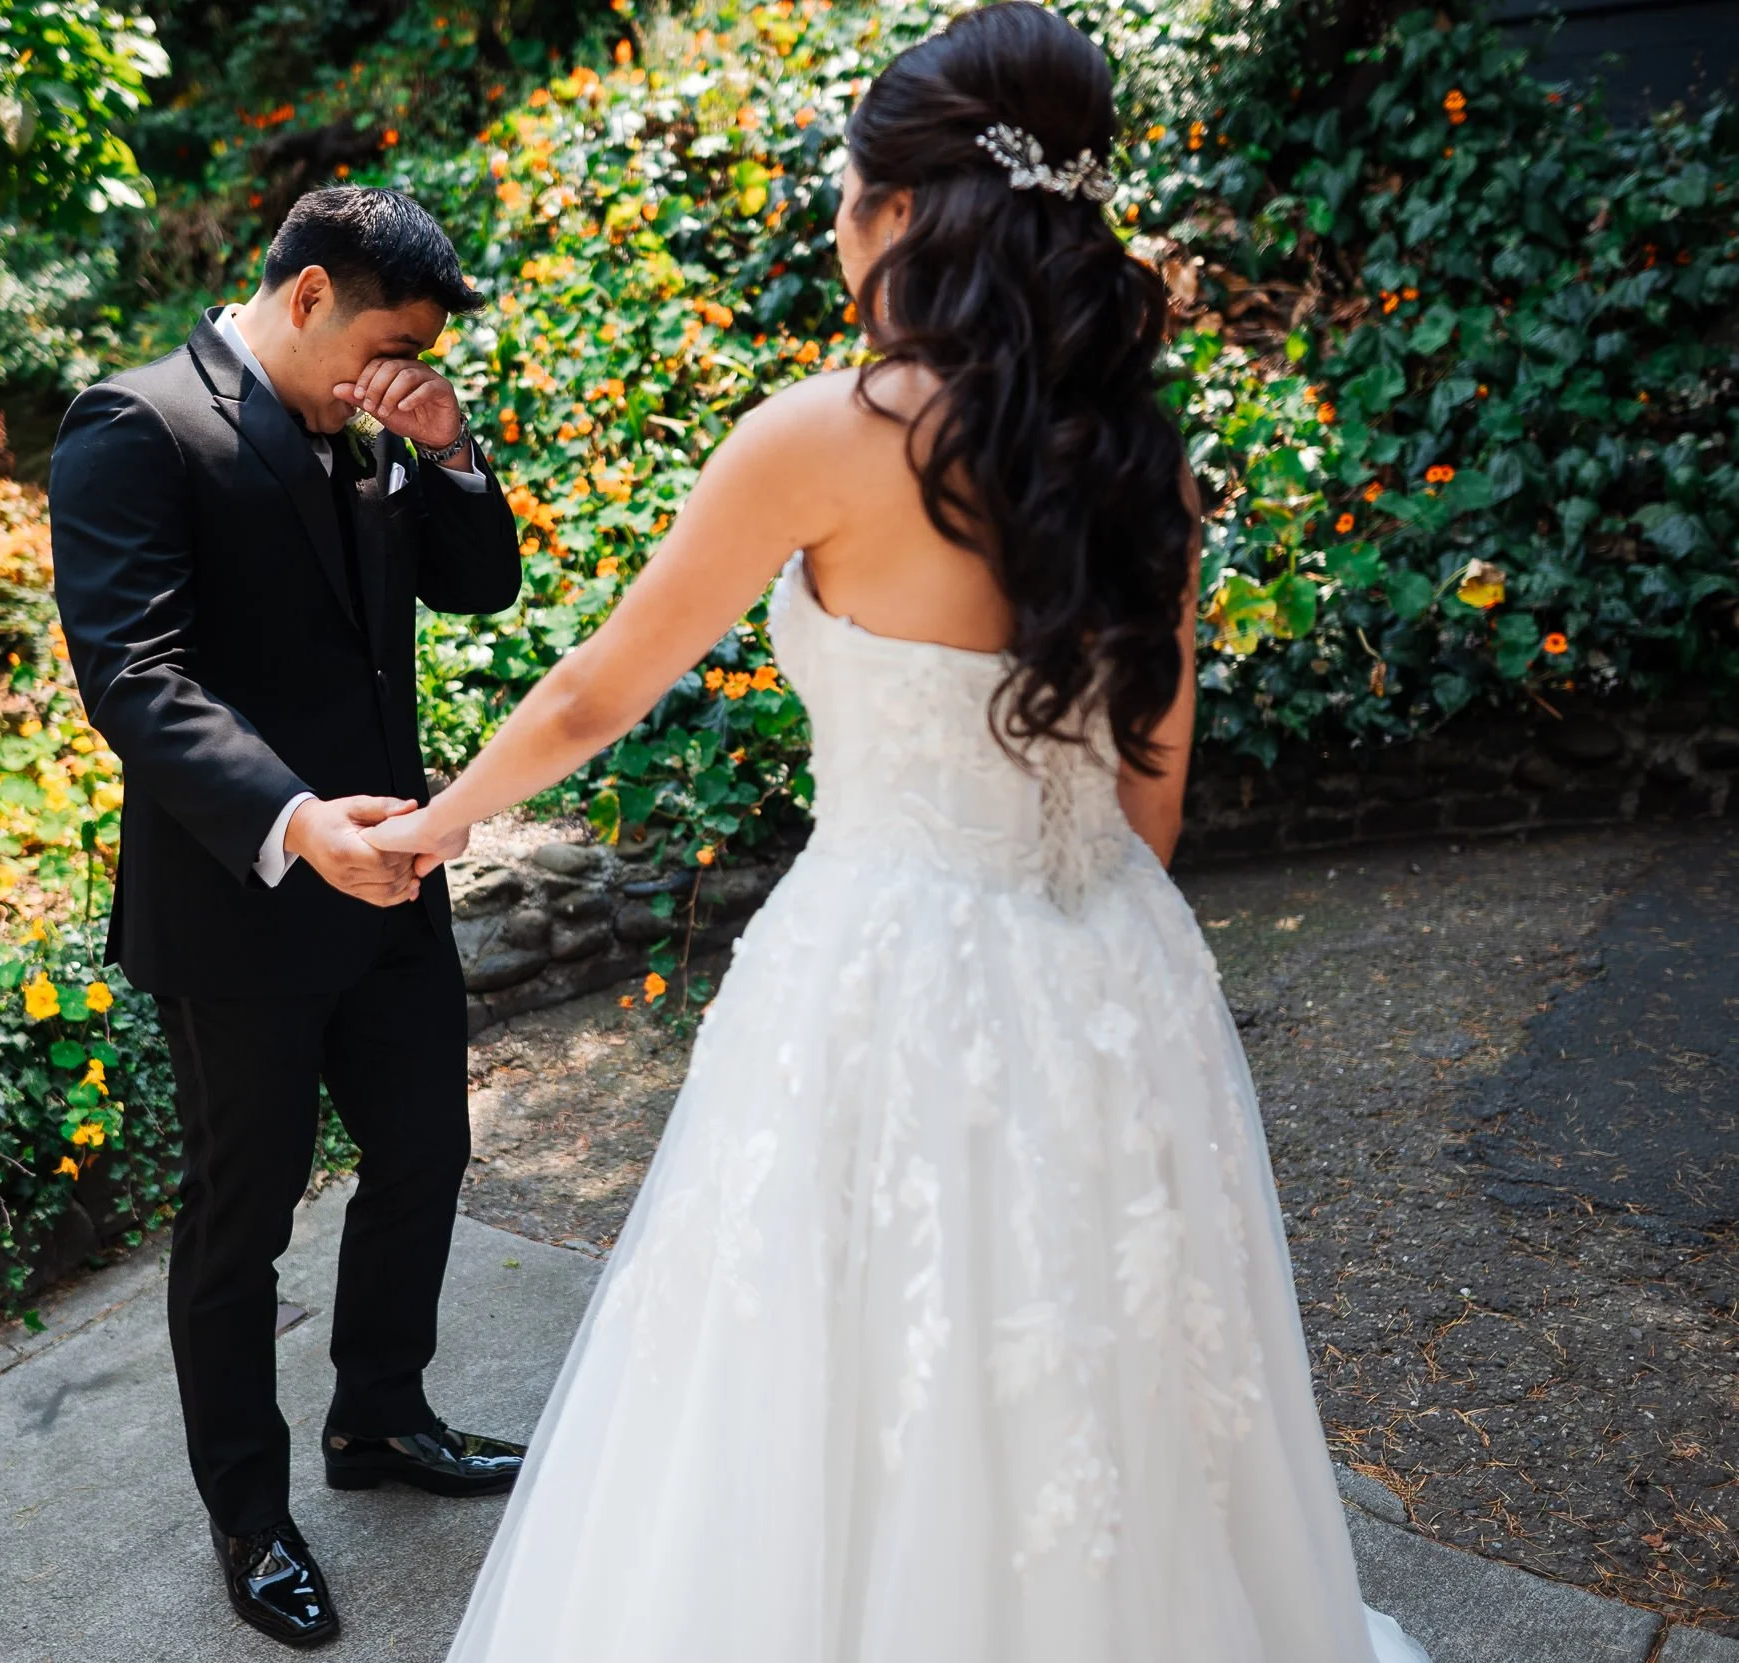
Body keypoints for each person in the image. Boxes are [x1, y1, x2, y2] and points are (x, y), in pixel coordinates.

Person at [356, 7, 1434, 1658]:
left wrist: (431, 826)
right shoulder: (1148, 463)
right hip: (1113, 978)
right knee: (1105, 1387)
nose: (835, 224)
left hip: (879, 974)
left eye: (847, 193)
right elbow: (1151, 804)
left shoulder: (825, 437)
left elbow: (591, 695)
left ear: (914, 213)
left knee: (825, 1386)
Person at [48, 187, 528, 1650]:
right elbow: (136, 677)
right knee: (238, 1221)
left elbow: (482, 584)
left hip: (392, 884)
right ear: (308, 294)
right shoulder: (133, 426)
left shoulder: (379, 426)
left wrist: (447, 449)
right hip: (245, 900)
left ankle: (379, 1417)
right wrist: (295, 822)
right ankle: (249, 1516)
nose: (399, 372)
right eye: (389, 342)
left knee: (426, 1151)